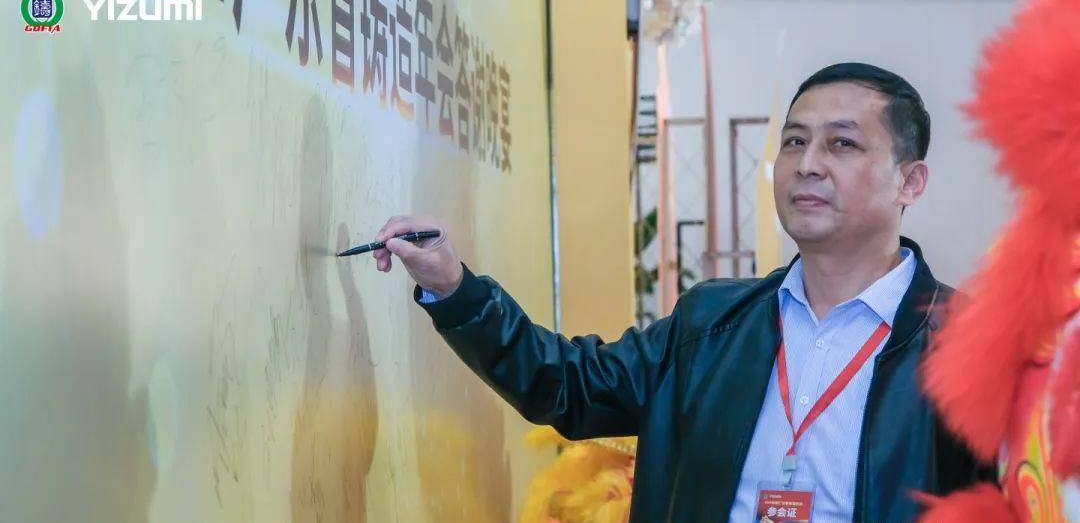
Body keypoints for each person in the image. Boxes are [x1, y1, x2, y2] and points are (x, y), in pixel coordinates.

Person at [372, 63, 990, 522]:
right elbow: (569, 386)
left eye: (842, 143)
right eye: (795, 141)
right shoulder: (713, 323)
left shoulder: (971, 345)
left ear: (910, 181)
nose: (807, 163)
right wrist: (454, 288)